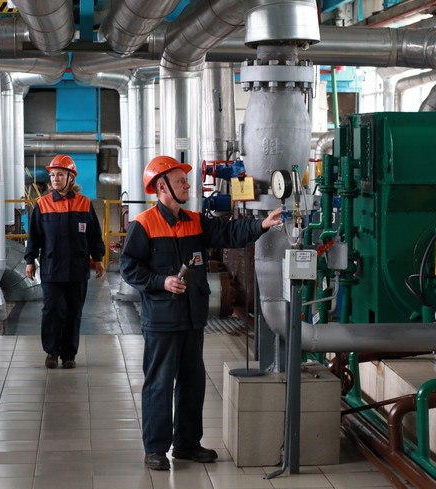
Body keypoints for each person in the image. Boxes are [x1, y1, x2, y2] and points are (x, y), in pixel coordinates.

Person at [120, 155, 283, 470]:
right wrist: (161, 281)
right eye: (180, 181)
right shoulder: (144, 224)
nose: (186, 185)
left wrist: (262, 224)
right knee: (159, 384)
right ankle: (155, 448)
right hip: (162, 320)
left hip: (193, 318)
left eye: (185, 180)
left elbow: (230, 232)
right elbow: (129, 268)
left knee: (193, 383)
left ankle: (187, 444)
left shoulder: (195, 221)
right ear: (162, 187)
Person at [25, 154, 105, 370]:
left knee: (73, 312)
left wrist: (98, 258)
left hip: (77, 270)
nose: (55, 179)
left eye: (60, 175)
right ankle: (51, 352)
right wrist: (30, 260)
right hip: (52, 269)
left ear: (71, 178)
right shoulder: (42, 205)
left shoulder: (84, 204)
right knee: (52, 311)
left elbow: (94, 235)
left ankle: (69, 354)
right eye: (52, 175)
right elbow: (34, 236)